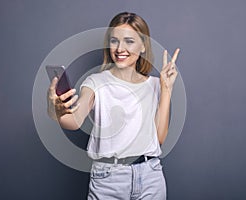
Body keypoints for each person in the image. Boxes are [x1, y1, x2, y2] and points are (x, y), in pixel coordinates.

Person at [47, 12, 180, 200]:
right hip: (108, 180)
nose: (120, 48)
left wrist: (166, 90)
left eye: (129, 41)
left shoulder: (156, 85)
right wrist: (55, 109)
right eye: (114, 41)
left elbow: (159, 139)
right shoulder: (95, 82)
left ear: (143, 46)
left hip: (150, 176)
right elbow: (74, 120)